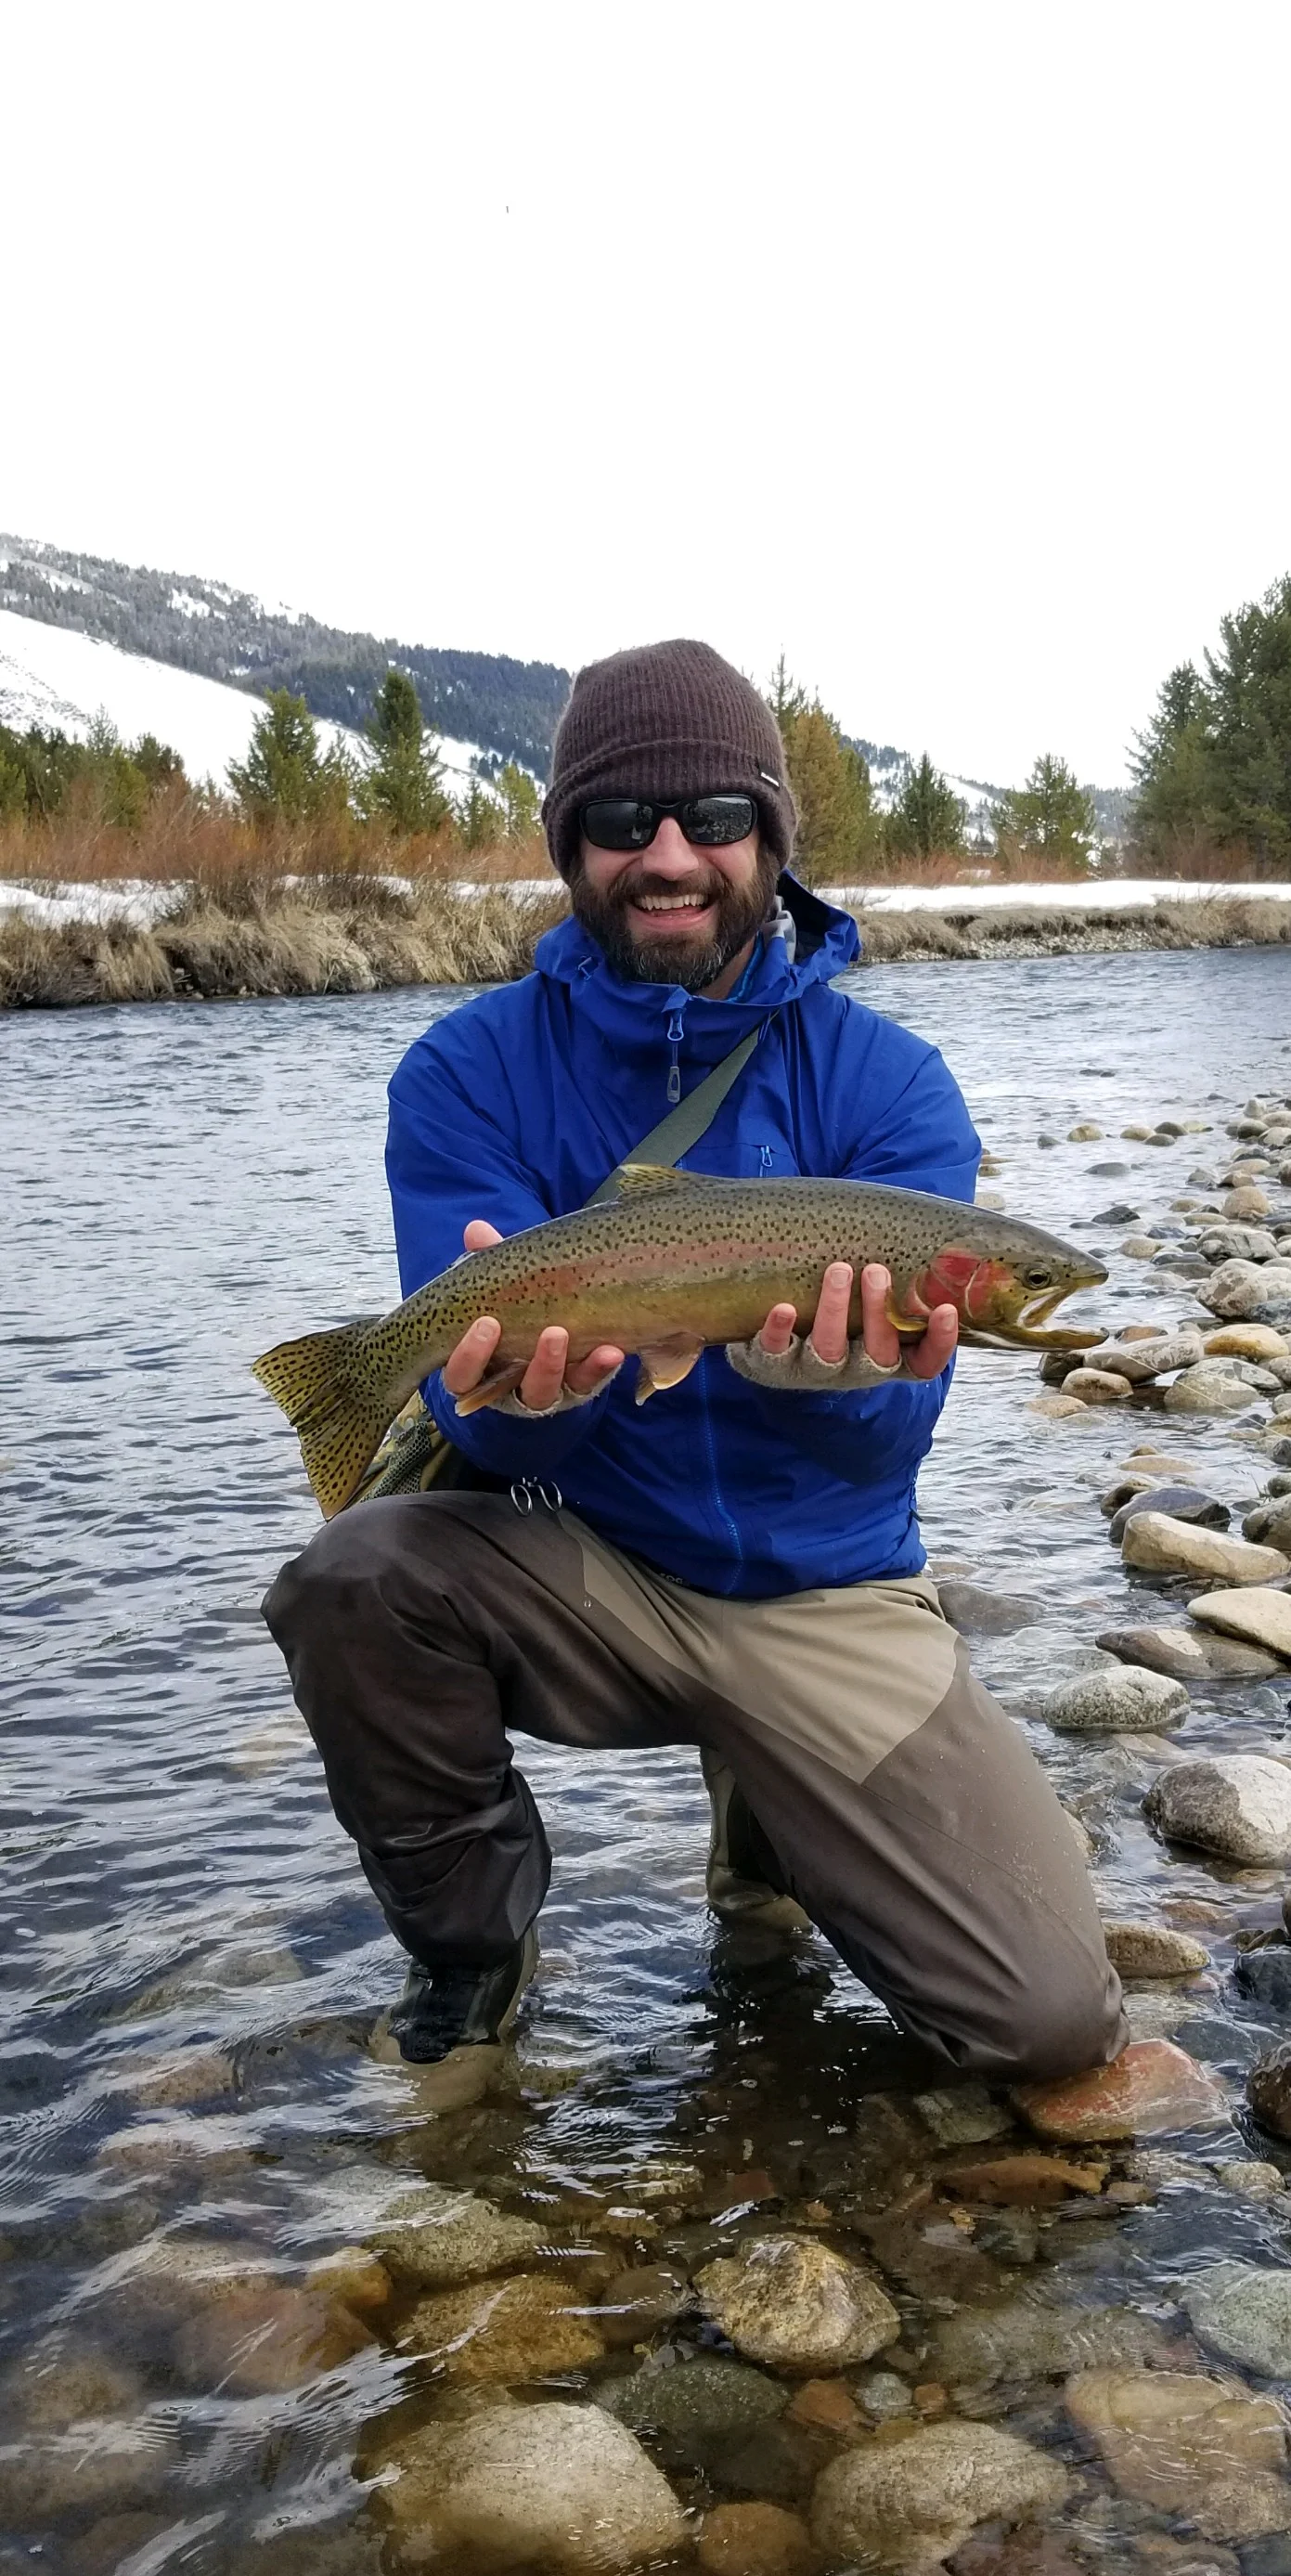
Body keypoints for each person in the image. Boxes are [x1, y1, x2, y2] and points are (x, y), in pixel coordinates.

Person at [264, 640, 1125, 2103]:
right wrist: (517, 1386)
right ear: (572, 846)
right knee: (351, 1575)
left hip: (825, 1588)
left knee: (1046, 2027)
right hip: (588, 1570)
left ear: (769, 842)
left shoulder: (888, 1088)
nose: (669, 856)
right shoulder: (463, 1073)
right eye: (624, 822)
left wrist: (834, 1379)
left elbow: (887, 1443)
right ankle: (473, 1950)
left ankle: (771, 1822)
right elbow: (470, 1379)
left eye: (715, 817)